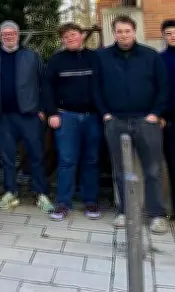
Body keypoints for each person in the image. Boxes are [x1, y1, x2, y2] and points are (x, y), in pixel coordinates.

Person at [98, 15, 169, 233]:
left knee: (153, 169)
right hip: (116, 121)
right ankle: (125, 211)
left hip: (145, 121)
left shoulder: (150, 55)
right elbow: (96, 87)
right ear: (114, 33)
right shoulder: (102, 56)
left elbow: (163, 87)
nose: (123, 35)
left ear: (134, 31)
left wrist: (155, 114)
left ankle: (156, 215)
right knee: (120, 169)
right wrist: (105, 113)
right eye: (119, 31)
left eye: (127, 31)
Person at [0, 20, 53, 212]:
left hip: (29, 115)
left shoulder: (31, 56)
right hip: (3, 116)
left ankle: (41, 194)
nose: (8, 36)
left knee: (36, 155)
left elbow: (44, 83)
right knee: (6, 158)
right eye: (5, 34)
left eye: (12, 33)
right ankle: (10, 192)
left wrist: (42, 109)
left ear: (18, 35)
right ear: (0, 37)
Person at [42, 23, 103, 222]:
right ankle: (63, 202)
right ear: (62, 40)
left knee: (91, 160)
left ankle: (90, 200)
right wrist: (52, 113)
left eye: (73, 35)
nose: (70, 38)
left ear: (82, 35)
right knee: (67, 161)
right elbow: (47, 88)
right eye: (66, 36)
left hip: (93, 116)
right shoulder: (56, 60)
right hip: (66, 116)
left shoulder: (95, 58)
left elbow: (103, 85)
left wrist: (105, 112)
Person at [161, 19, 175, 227]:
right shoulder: (160, 60)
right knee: (174, 166)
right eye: (169, 33)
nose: (174, 36)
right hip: (171, 120)